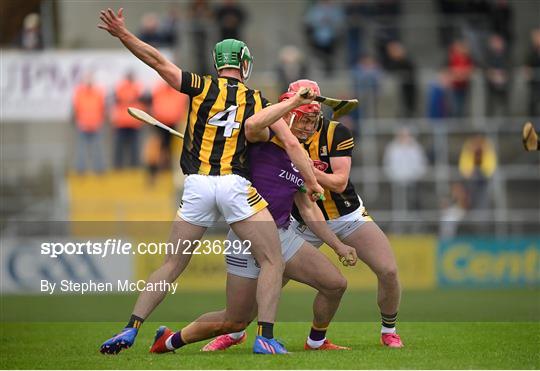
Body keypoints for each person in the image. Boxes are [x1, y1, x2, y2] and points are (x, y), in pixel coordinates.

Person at [97, 8, 323, 355]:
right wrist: (313, 181)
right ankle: (265, 337)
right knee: (272, 260)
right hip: (234, 186)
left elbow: (157, 61)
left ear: (217, 63)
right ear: (244, 64)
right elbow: (292, 143)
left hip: (197, 186)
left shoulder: (200, 85)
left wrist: (124, 34)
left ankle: (130, 329)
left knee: (172, 265)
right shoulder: (257, 99)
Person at [148, 84, 358, 354]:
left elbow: (308, 210)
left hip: (281, 234)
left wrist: (338, 246)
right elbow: (254, 122)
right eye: (302, 119)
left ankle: (315, 343)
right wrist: (293, 103)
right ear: (288, 114)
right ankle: (167, 341)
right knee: (233, 320)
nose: (308, 127)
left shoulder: (300, 156)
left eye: (312, 121)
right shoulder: (261, 138)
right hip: (247, 237)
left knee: (335, 284)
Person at [205, 80, 404, 349]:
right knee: (272, 281)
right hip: (301, 220)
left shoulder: (337, 132)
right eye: (302, 111)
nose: (308, 121)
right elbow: (254, 130)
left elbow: (339, 183)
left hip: (345, 215)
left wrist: (305, 171)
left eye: (313, 113)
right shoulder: (277, 132)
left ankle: (386, 330)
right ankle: (235, 329)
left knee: (388, 270)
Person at [383, 127, 427, 212]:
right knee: (396, 199)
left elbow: (422, 165)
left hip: (413, 181)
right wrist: (395, 177)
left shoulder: (416, 147)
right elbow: (387, 165)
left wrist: (413, 177)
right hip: (396, 182)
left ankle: (415, 217)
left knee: (415, 198)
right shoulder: (391, 148)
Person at [72, 72, 106, 174]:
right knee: (81, 150)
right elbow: (76, 109)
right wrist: (78, 121)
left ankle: (99, 170)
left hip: (95, 125)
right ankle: (80, 170)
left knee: (97, 149)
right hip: (83, 125)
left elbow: (102, 108)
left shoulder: (98, 92)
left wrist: (100, 121)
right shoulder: (79, 92)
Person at [110, 71, 146, 169]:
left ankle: (133, 167)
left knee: (134, 148)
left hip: (133, 123)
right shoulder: (123, 88)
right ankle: (120, 167)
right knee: (120, 148)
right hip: (122, 122)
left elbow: (142, 102)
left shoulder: (137, 87)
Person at [150, 80, 189, 168]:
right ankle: (156, 166)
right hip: (160, 123)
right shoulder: (159, 89)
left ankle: (167, 166)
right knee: (158, 146)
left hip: (173, 123)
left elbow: (181, 107)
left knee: (169, 147)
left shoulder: (177, 92)